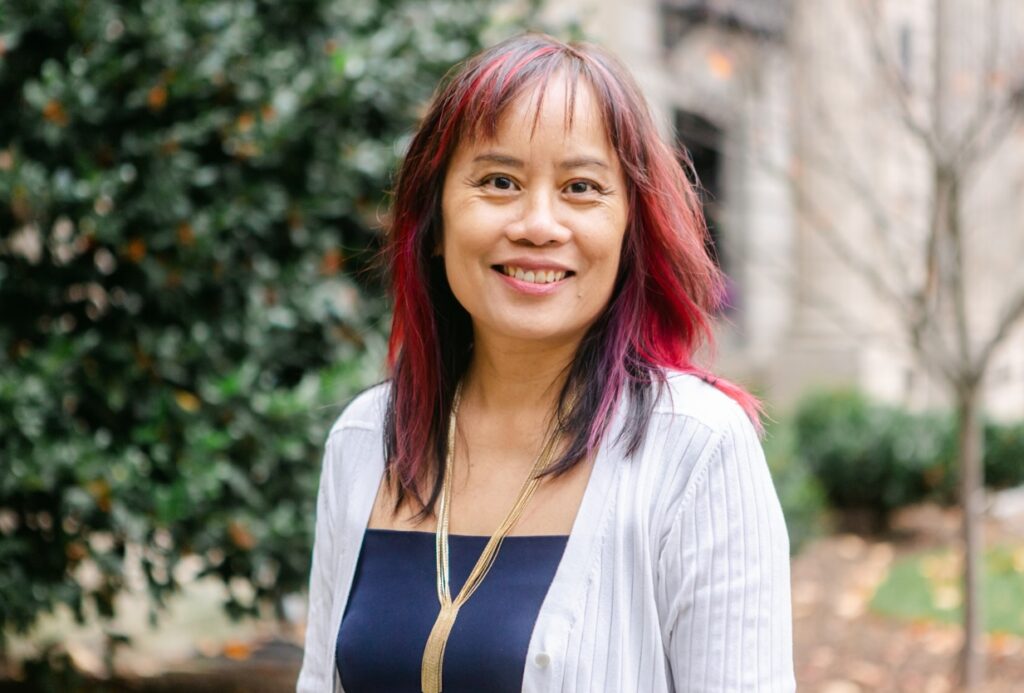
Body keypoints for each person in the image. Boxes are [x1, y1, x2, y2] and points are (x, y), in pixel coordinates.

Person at [297, 33, 794, 693]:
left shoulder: (695, 448)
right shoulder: (365, 439)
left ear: (630, 227)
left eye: (580, 187)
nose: (538, 224)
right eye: (498, 181)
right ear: (435, 220)